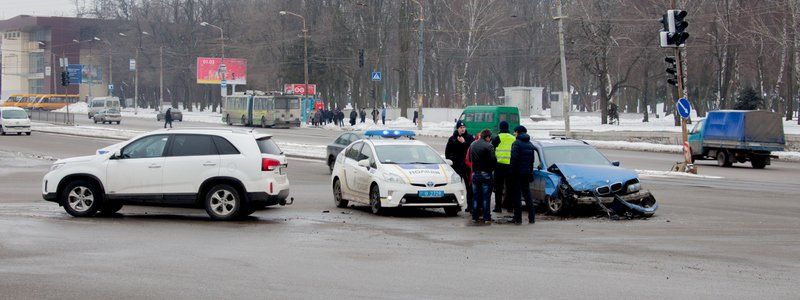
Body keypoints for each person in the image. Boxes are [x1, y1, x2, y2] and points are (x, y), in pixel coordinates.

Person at [509, 125, 535, 224]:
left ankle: (518, 218)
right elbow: (532, 161)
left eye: (515, 132)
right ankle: (531, 218)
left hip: (517, 174)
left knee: (517, 196)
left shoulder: (516, 144)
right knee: (528, 195)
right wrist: (530, 172)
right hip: (526, 173)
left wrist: (511, 171)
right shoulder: (530, 144)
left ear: (518, 132)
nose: (514, 134)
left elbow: (514, 159)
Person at [468, 129, 496, 224]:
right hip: (486, 174)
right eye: (490, 137)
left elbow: (470, 159)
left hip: (475, 173)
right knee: (486, 197)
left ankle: (474, 217)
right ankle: (486, 218)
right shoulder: (489, 146)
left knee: (475, 197)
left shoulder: (473, 144)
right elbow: (493, 160)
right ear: (487, 137)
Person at [445, 121, 473, 212]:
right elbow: (447, 152)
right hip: (456, 166)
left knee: (469, 187)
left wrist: (464, 142)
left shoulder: (469, 138)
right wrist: (451, 162)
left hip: (467, 167)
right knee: (455, 186)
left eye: (464, 127)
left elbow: (472, 150)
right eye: (460, 128)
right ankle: (455, 205)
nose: (462, 129)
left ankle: (470, 206)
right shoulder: (452, 138)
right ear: (457, 128)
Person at [491, 121, 514, 213]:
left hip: (499, 166)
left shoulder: (497, 138)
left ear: (500, 128)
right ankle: (510, 207)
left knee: (499, 188)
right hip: (510, 166)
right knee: (509, 187)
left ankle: (498, 207)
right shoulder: (513, 138)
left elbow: (491, 151)